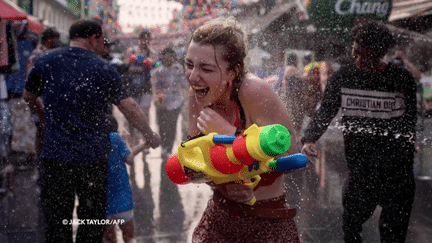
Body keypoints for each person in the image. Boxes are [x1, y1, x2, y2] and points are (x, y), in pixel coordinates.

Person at [23, 19, 160, 243]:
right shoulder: (103, 68)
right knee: (92, 223)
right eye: (101, 39)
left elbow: (28, 96)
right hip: (92, 159)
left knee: (57, 223)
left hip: (55, 157)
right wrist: (149, 134)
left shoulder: (46, 61)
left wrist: (43, 117)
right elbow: (129, 106)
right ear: (93, 38)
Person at [184, 17, 300, 242]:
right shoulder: (197, 94)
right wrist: (221, 183)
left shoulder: (254, 92)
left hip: (267, 219)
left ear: (232, 71)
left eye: (206, 68)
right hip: (220, 216)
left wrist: (231, 135)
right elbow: (193, 165)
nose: (192, 76)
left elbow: (291, 154)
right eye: (189, 64)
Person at [301, 21, 417, 243]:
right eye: (355, 53)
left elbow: (409, 120)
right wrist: (309, 138)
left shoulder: (401, 79)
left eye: (363, 55)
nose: (358, 59)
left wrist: (409, 143)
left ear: (379, 53)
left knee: (394, 234)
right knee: (351, 227)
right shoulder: (344, 78)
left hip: (397, 171)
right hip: (361, 169)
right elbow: (325, 111)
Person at [151, 47, 187, 230]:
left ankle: (168, 147)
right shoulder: (158, 71)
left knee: (172, 127)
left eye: (171, 55)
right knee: (163, 127)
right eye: (166, 55)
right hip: (162, 103)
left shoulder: (178, 69)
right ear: (163, 57)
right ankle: (165, 146)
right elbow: (155, 86)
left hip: (175, 103)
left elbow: (183, 84)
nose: (169, 58)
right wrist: (158, 97)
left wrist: (185, 98)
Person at [104, 115, 147, 243]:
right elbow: (129, 158)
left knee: (110, 240)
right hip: (122, 200)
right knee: (129, 238)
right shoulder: (115, 138)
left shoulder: (96, 141)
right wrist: (127, 139)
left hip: (104, 202)